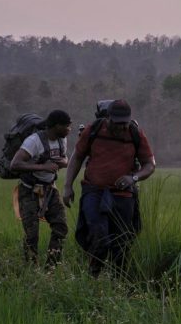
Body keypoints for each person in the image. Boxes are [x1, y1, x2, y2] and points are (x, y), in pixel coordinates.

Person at [62, 100, 156, 277]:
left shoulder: (135, 134)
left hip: (123, 195)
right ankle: (94, 276)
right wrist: (67, 186)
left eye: (124, 123)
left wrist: (133, 178)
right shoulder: (94, 130)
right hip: (94, 191)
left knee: (122, 241)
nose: (121, 127)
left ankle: (118, 280)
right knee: (98, 235)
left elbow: (149, 165)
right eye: (116, 123)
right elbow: (77, 158)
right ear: (108, 119)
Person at [9, 109, 72, 268]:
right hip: (29, 190)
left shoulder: (61, 139)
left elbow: (65, 158)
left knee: (61, 228)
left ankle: (51, 268)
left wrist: (63, 162)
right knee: (32, 235)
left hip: (50, 190)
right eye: (67, 126)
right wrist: (42, 167)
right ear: (57, 126)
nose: (69, 130)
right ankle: (31, 270)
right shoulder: (33, 141)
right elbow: (15, 164)